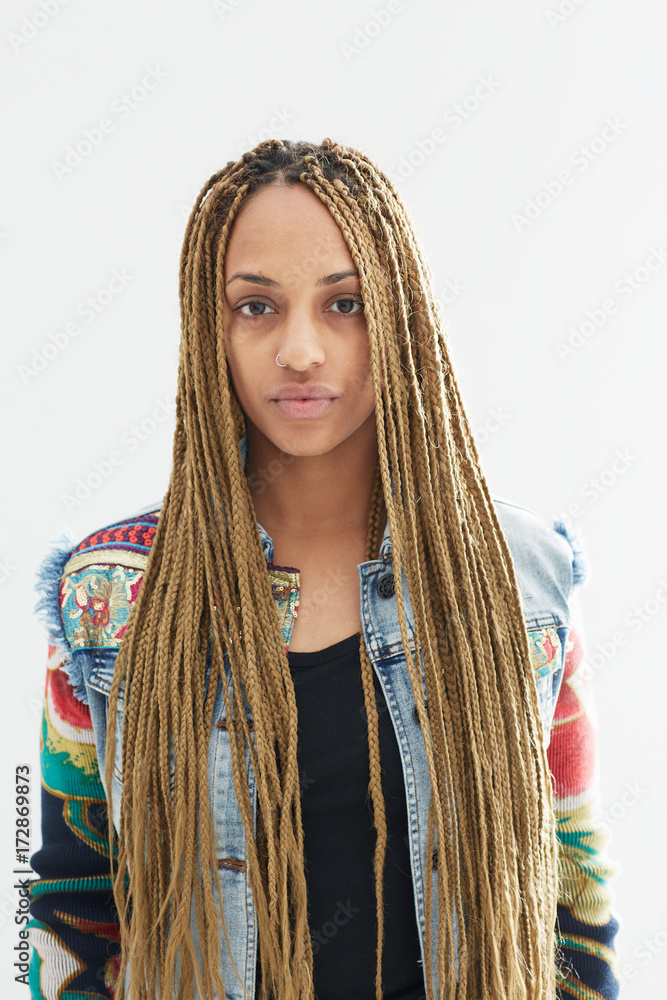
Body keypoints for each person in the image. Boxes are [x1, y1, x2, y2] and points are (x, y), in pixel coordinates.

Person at [27, 138, 620, 1000]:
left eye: (343, 303)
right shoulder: (112, 596)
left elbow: (575, 899)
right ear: (209, 326)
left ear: (399, 315)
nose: (300, 350)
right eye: (257, 307)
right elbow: (66, 907)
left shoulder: (518, 577)